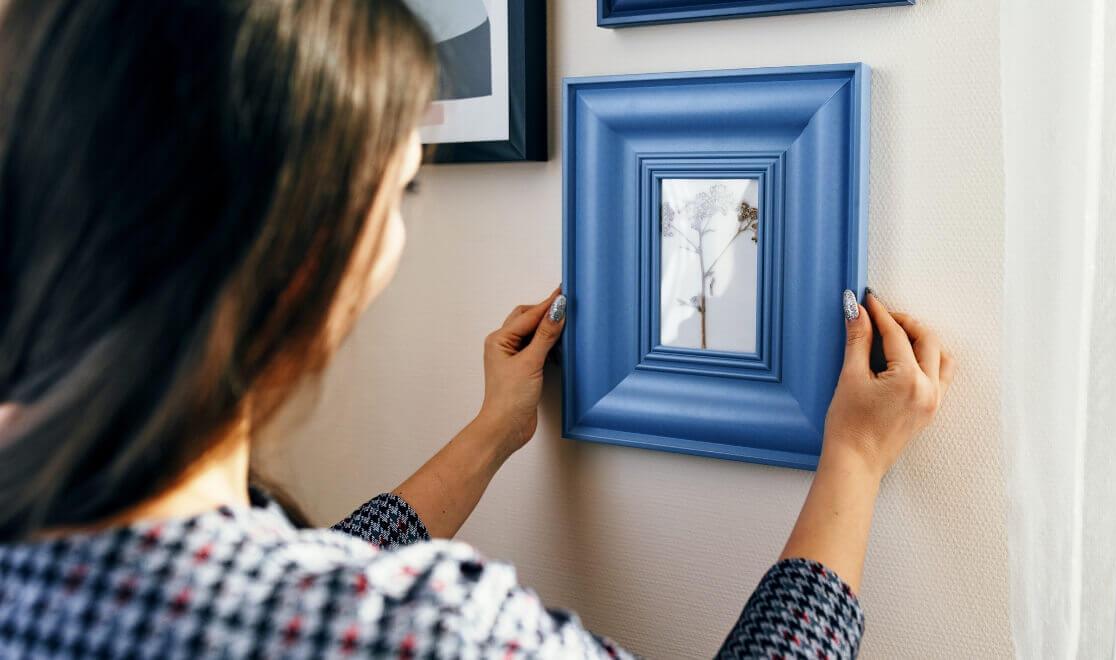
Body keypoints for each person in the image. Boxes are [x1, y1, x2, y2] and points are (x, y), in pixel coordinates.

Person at [0, 1, 954, 658]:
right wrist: (855, 464)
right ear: (311, 253)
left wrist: (492, 432)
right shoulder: (437, 632)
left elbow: (294, 568)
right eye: (401, 185)